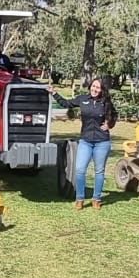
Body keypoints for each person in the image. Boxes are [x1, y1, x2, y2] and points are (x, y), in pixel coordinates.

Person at [50, 77, 118, 210]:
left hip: (102, 141)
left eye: (98, 87)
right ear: (90, 87)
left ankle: (96, 199)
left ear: (102, 90)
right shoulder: (83, 99)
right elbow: (66, 103)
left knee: (99, 171)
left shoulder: (105, 102)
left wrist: (109, 124)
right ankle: (79, 199)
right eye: (93, 86)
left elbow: (114, 114)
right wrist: (54, 93)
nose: (95, 89)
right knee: (80, 169)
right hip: (85, 141)